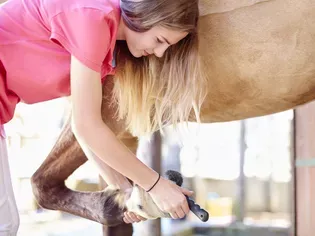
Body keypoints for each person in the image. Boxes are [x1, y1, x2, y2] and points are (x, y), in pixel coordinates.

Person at [0, 0, 206, 234]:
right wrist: (155, 185)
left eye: (167, 47)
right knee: (4, 225)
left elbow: (83, 131)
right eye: (160, 41)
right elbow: (87, 126)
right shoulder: (92, 18)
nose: (159, 53)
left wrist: (124, 192)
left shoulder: (105, 43)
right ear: (142, 16)